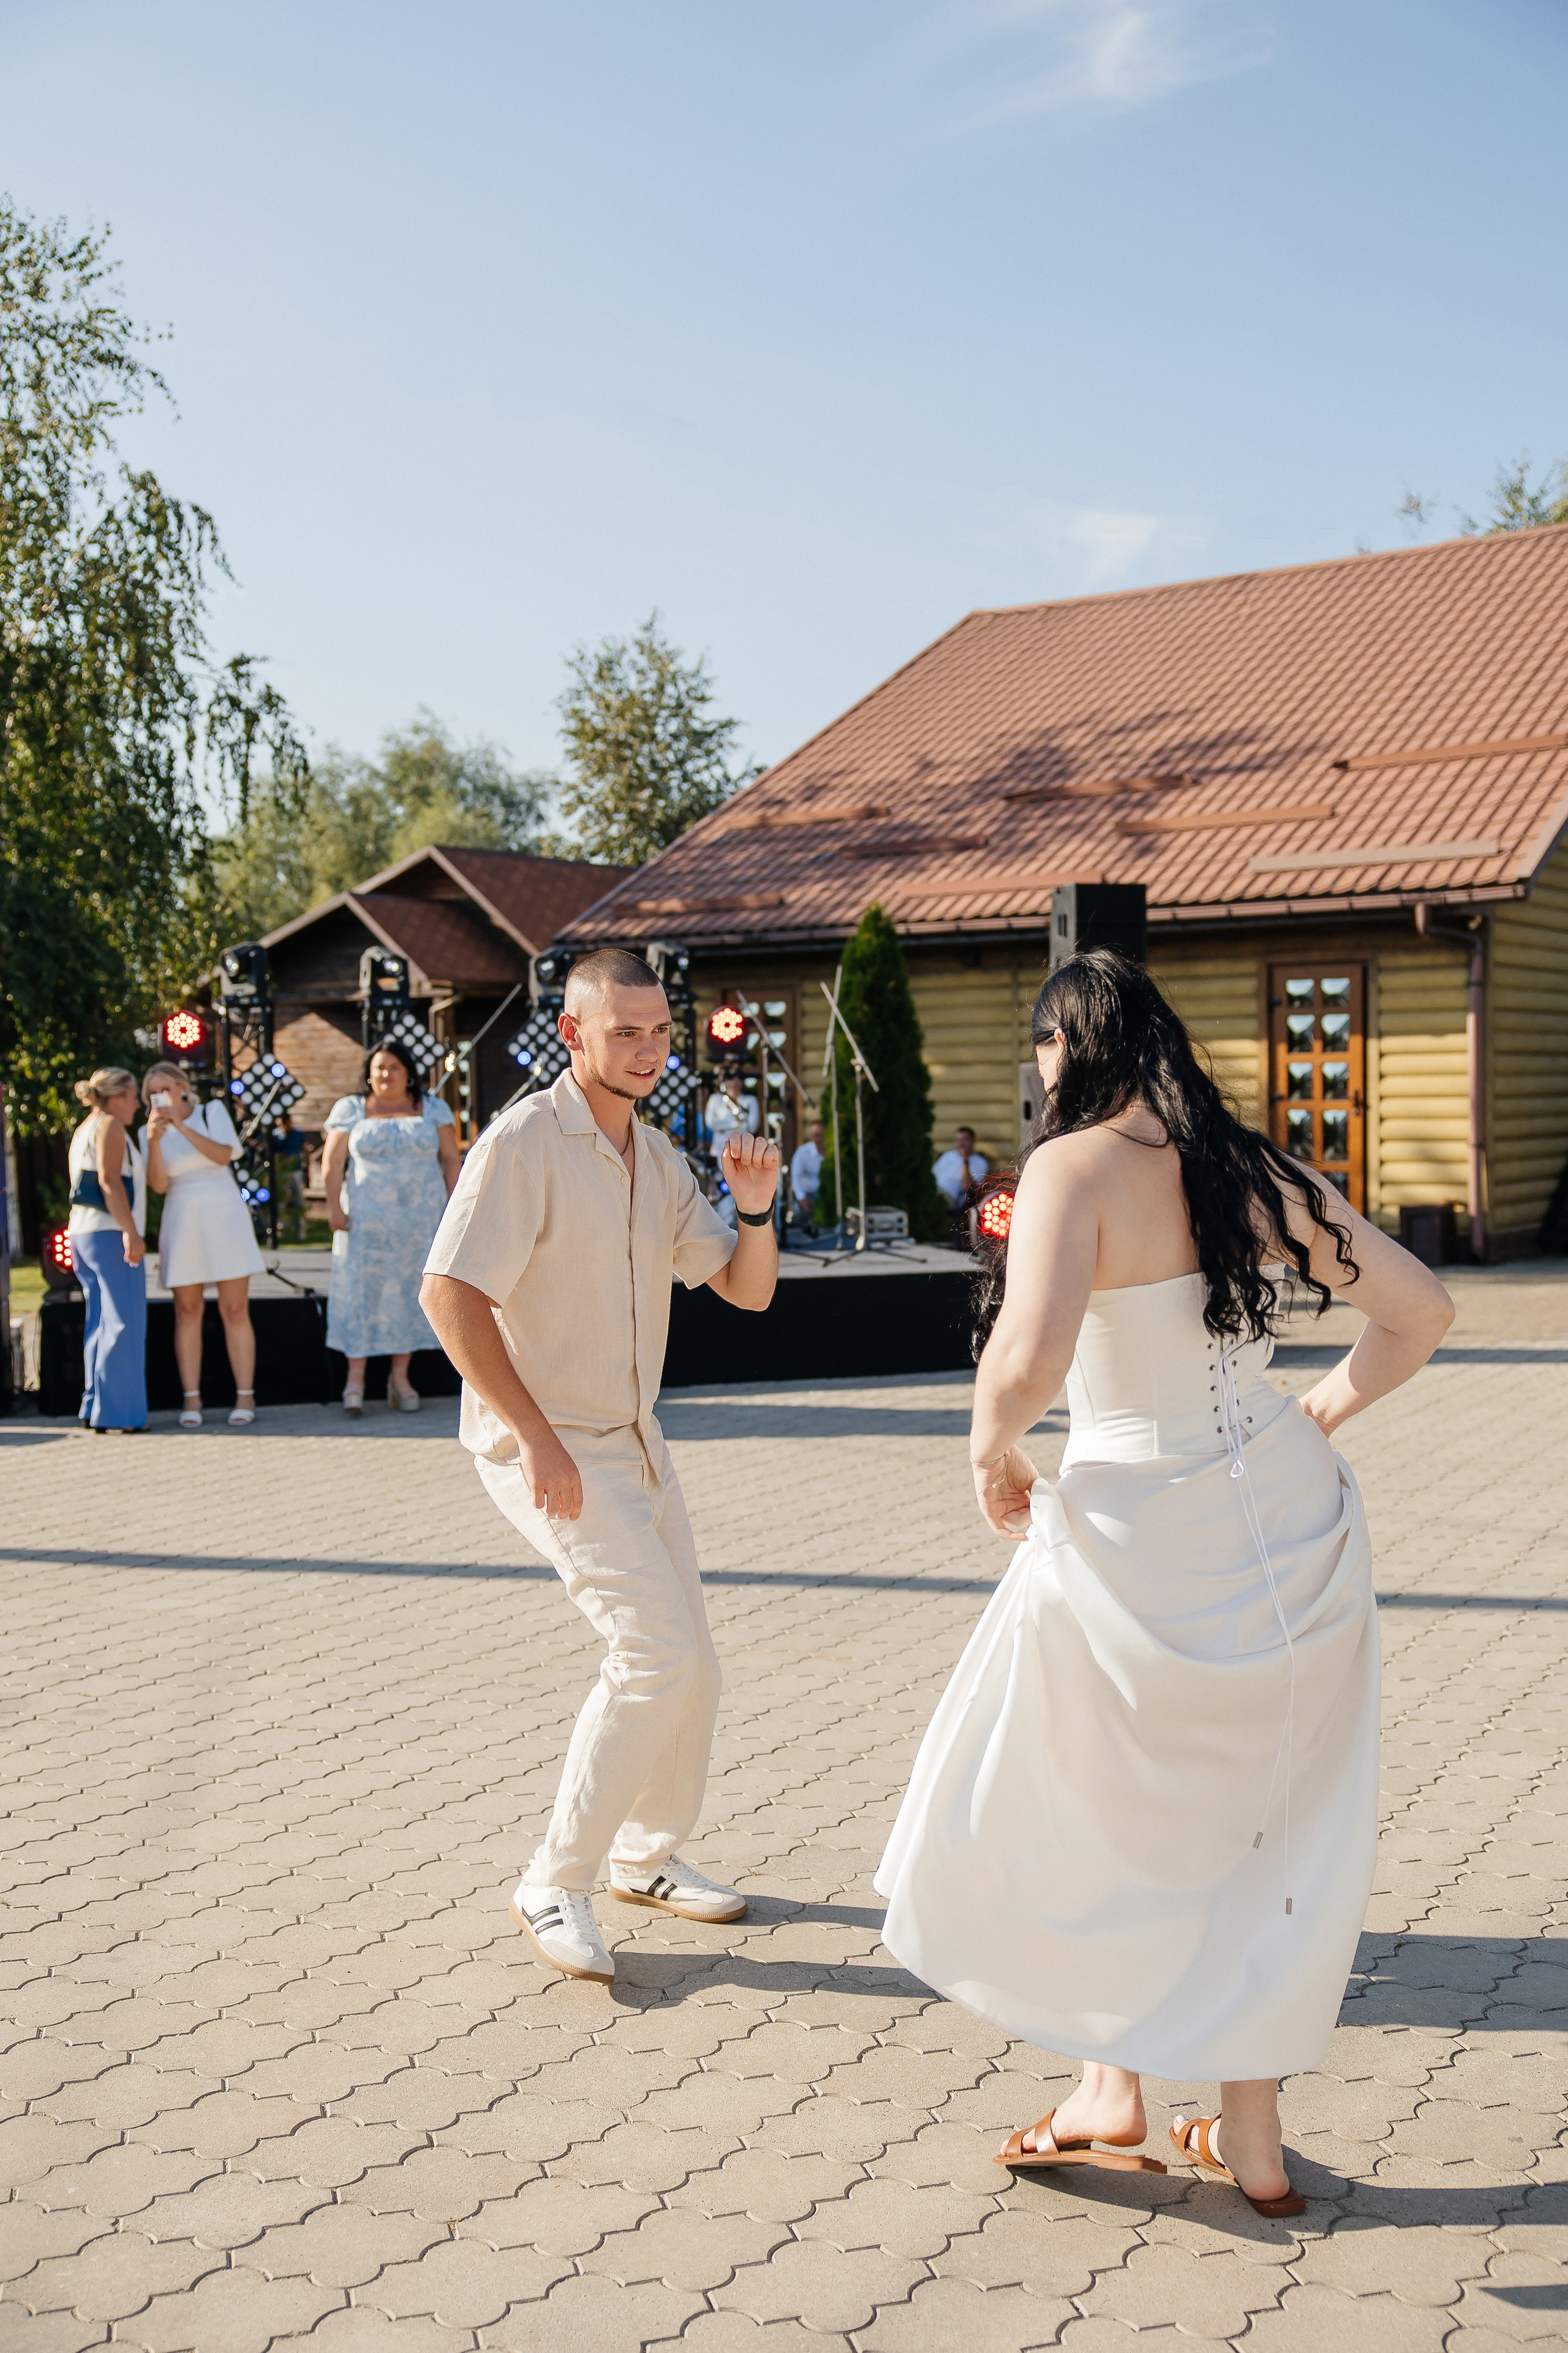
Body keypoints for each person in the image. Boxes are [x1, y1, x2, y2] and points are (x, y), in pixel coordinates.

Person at [875, 950, 1453, 2216]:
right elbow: (1418, 1309)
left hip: (1132, 1533)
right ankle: (1247, 2141)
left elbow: (1025, 1359)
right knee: (1263, 1829)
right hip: (1290, 1526)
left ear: (1058, 1051)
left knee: (1092, 1807)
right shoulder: (1244, 1167)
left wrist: (988, 1448)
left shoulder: (1068, 1168)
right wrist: (1313, 1413)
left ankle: (1111, 2087)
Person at [421, 947, 780, 1985]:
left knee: (693, 1663)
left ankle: (646, 1856)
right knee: (654, 1652)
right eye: (625, 1031)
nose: (649, 1049)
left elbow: (746, 1293)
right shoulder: (525, 1140)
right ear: (572, 1034)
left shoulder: (656, 1155)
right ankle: (553, 1879)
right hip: (547, 1438)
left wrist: (753, 1206)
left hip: (634, 1441)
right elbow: (450, 1295)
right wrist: (532, 1435)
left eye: (659, 1030)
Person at [322, 1041, 461, 1413]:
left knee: (409, 1294)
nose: (386, 1074)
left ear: (409, 1072)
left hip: (422, 1222)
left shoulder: (433, 1108)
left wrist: (455, 1209)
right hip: (367, 1224)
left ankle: (400, 1379)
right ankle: (356, 1378)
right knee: (364, 1293)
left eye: (395, 1067)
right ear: (369, 1073)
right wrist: (334, 1209)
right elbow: (332, 1163)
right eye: (380, 1067)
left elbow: (451, 1158)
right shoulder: (350, 1109)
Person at [142, 1062, 265, 1430]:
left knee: (234, 1308)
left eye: (164, 1087)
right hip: (182, 1218)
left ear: (181, 1087)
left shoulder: (212, 1112)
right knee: (187, 1310)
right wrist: (154, 1140)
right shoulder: (149, 1131)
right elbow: (159, 1185)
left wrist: (181, 1125)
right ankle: (191, 1398)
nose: (160, 1097)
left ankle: (245, 1395)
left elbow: (225, 1155)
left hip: (224, 1214)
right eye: (153, 1091)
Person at [67, 1068, 148, 1432]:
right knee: (124, 1323)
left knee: (99, 1322)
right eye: (133, 1096)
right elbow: (109, 1179)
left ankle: (94, 1404)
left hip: (83, 1234)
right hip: (110, 1234)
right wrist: (132, 1232)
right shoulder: (111, 1126)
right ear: (116, 1097)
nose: (138, 1104)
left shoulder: (86, 1126)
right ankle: (120, 1414)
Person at [704, 1070, 760, 1171]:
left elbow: (752, 1126)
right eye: (731, 1080)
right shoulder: (716, 1099)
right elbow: (711, 1123)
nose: (735, 1083)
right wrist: (738, 1123)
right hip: (720, 1147)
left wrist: (723, 1125)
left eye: (738, 1080)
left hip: (743, 1146)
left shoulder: (750, 1101)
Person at [933, 1125, 987, 1220]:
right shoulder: (947, 1156)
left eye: (965, 1140)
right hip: (935, 1189)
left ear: (973, 1141)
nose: (961, 1144)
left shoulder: (980, 1163)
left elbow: (967, 1186)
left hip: (952, 1197)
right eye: (958, 1140)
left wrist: (965, 1161)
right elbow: (931, 1176)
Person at [790, 1119, 826, 1229]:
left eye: (820, 1135)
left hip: (826, 1196)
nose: (818, 1139)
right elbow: (795, 1177)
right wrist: (802, 1198)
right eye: (815, 1135)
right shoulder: (803, 1152)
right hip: (808, 1196)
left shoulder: (832, 1150)